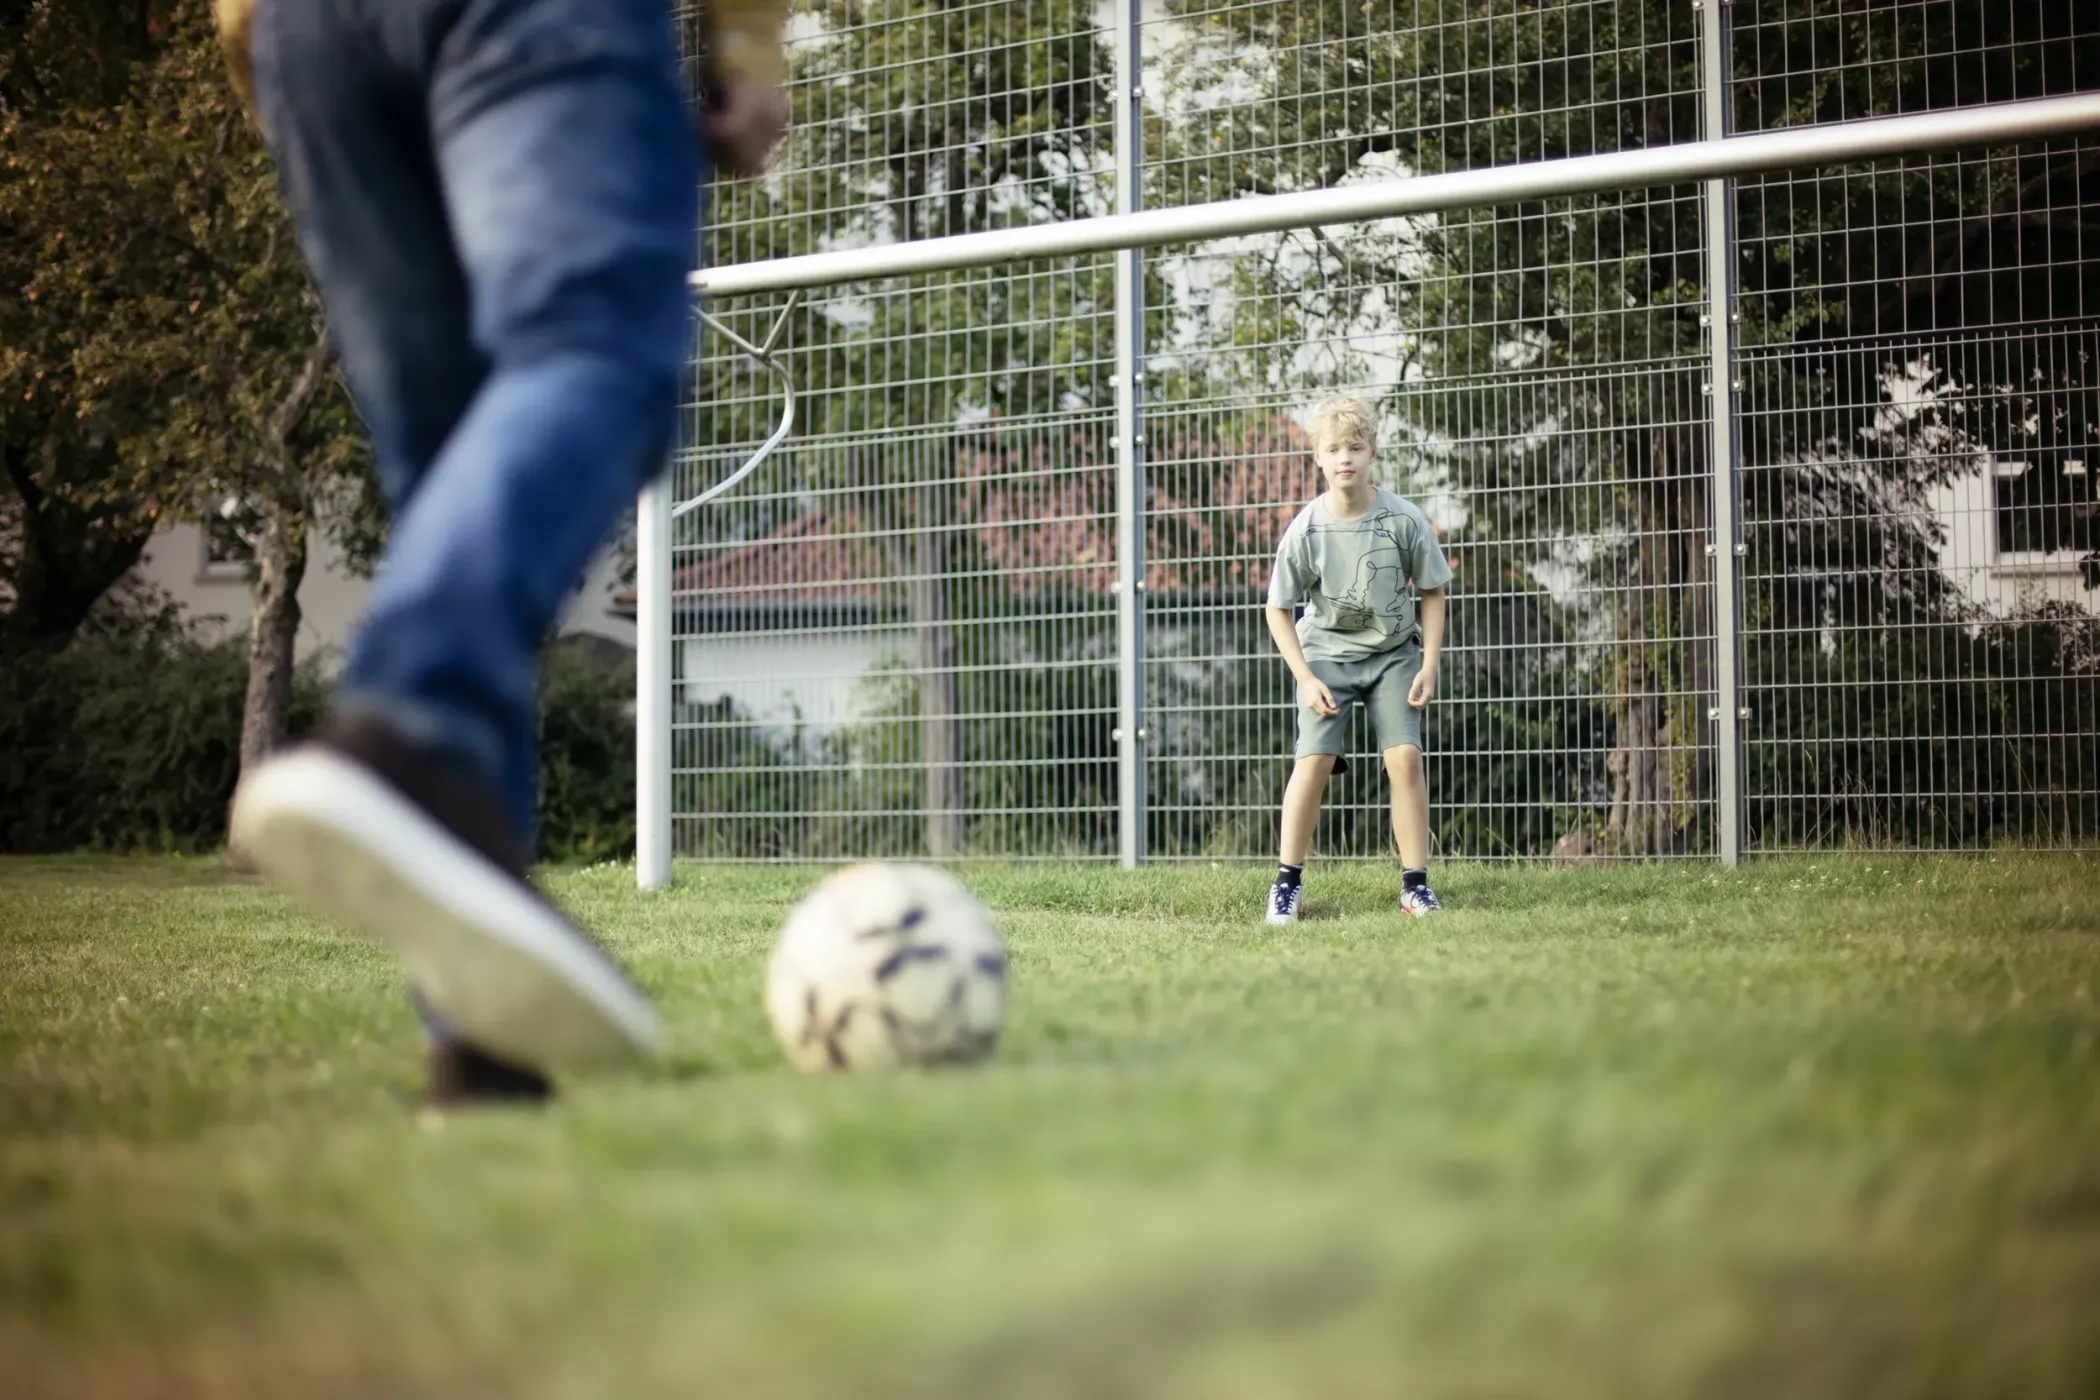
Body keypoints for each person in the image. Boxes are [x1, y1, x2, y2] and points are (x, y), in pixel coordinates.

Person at [215, 0, 790, 1106]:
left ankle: (481, 1032)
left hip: (298, 38)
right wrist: (750, 47)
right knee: (600, 356)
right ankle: (407, 714)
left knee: (458, 492)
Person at [1263, 391, 1452, 925]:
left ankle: (1415, 887)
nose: (1344, 457)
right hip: (1326, 657)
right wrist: (1304, 678)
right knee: (1314, 761)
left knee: (1405, 759)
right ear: (1318, 458)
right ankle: (1286, 885)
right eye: (1333, 449)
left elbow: (1433, 591)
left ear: (1373, 452)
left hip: (1394, 656)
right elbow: (1278, 609)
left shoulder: (1404, 520)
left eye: (1355, 446)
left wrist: (1429, 663)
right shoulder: (1307, 529)